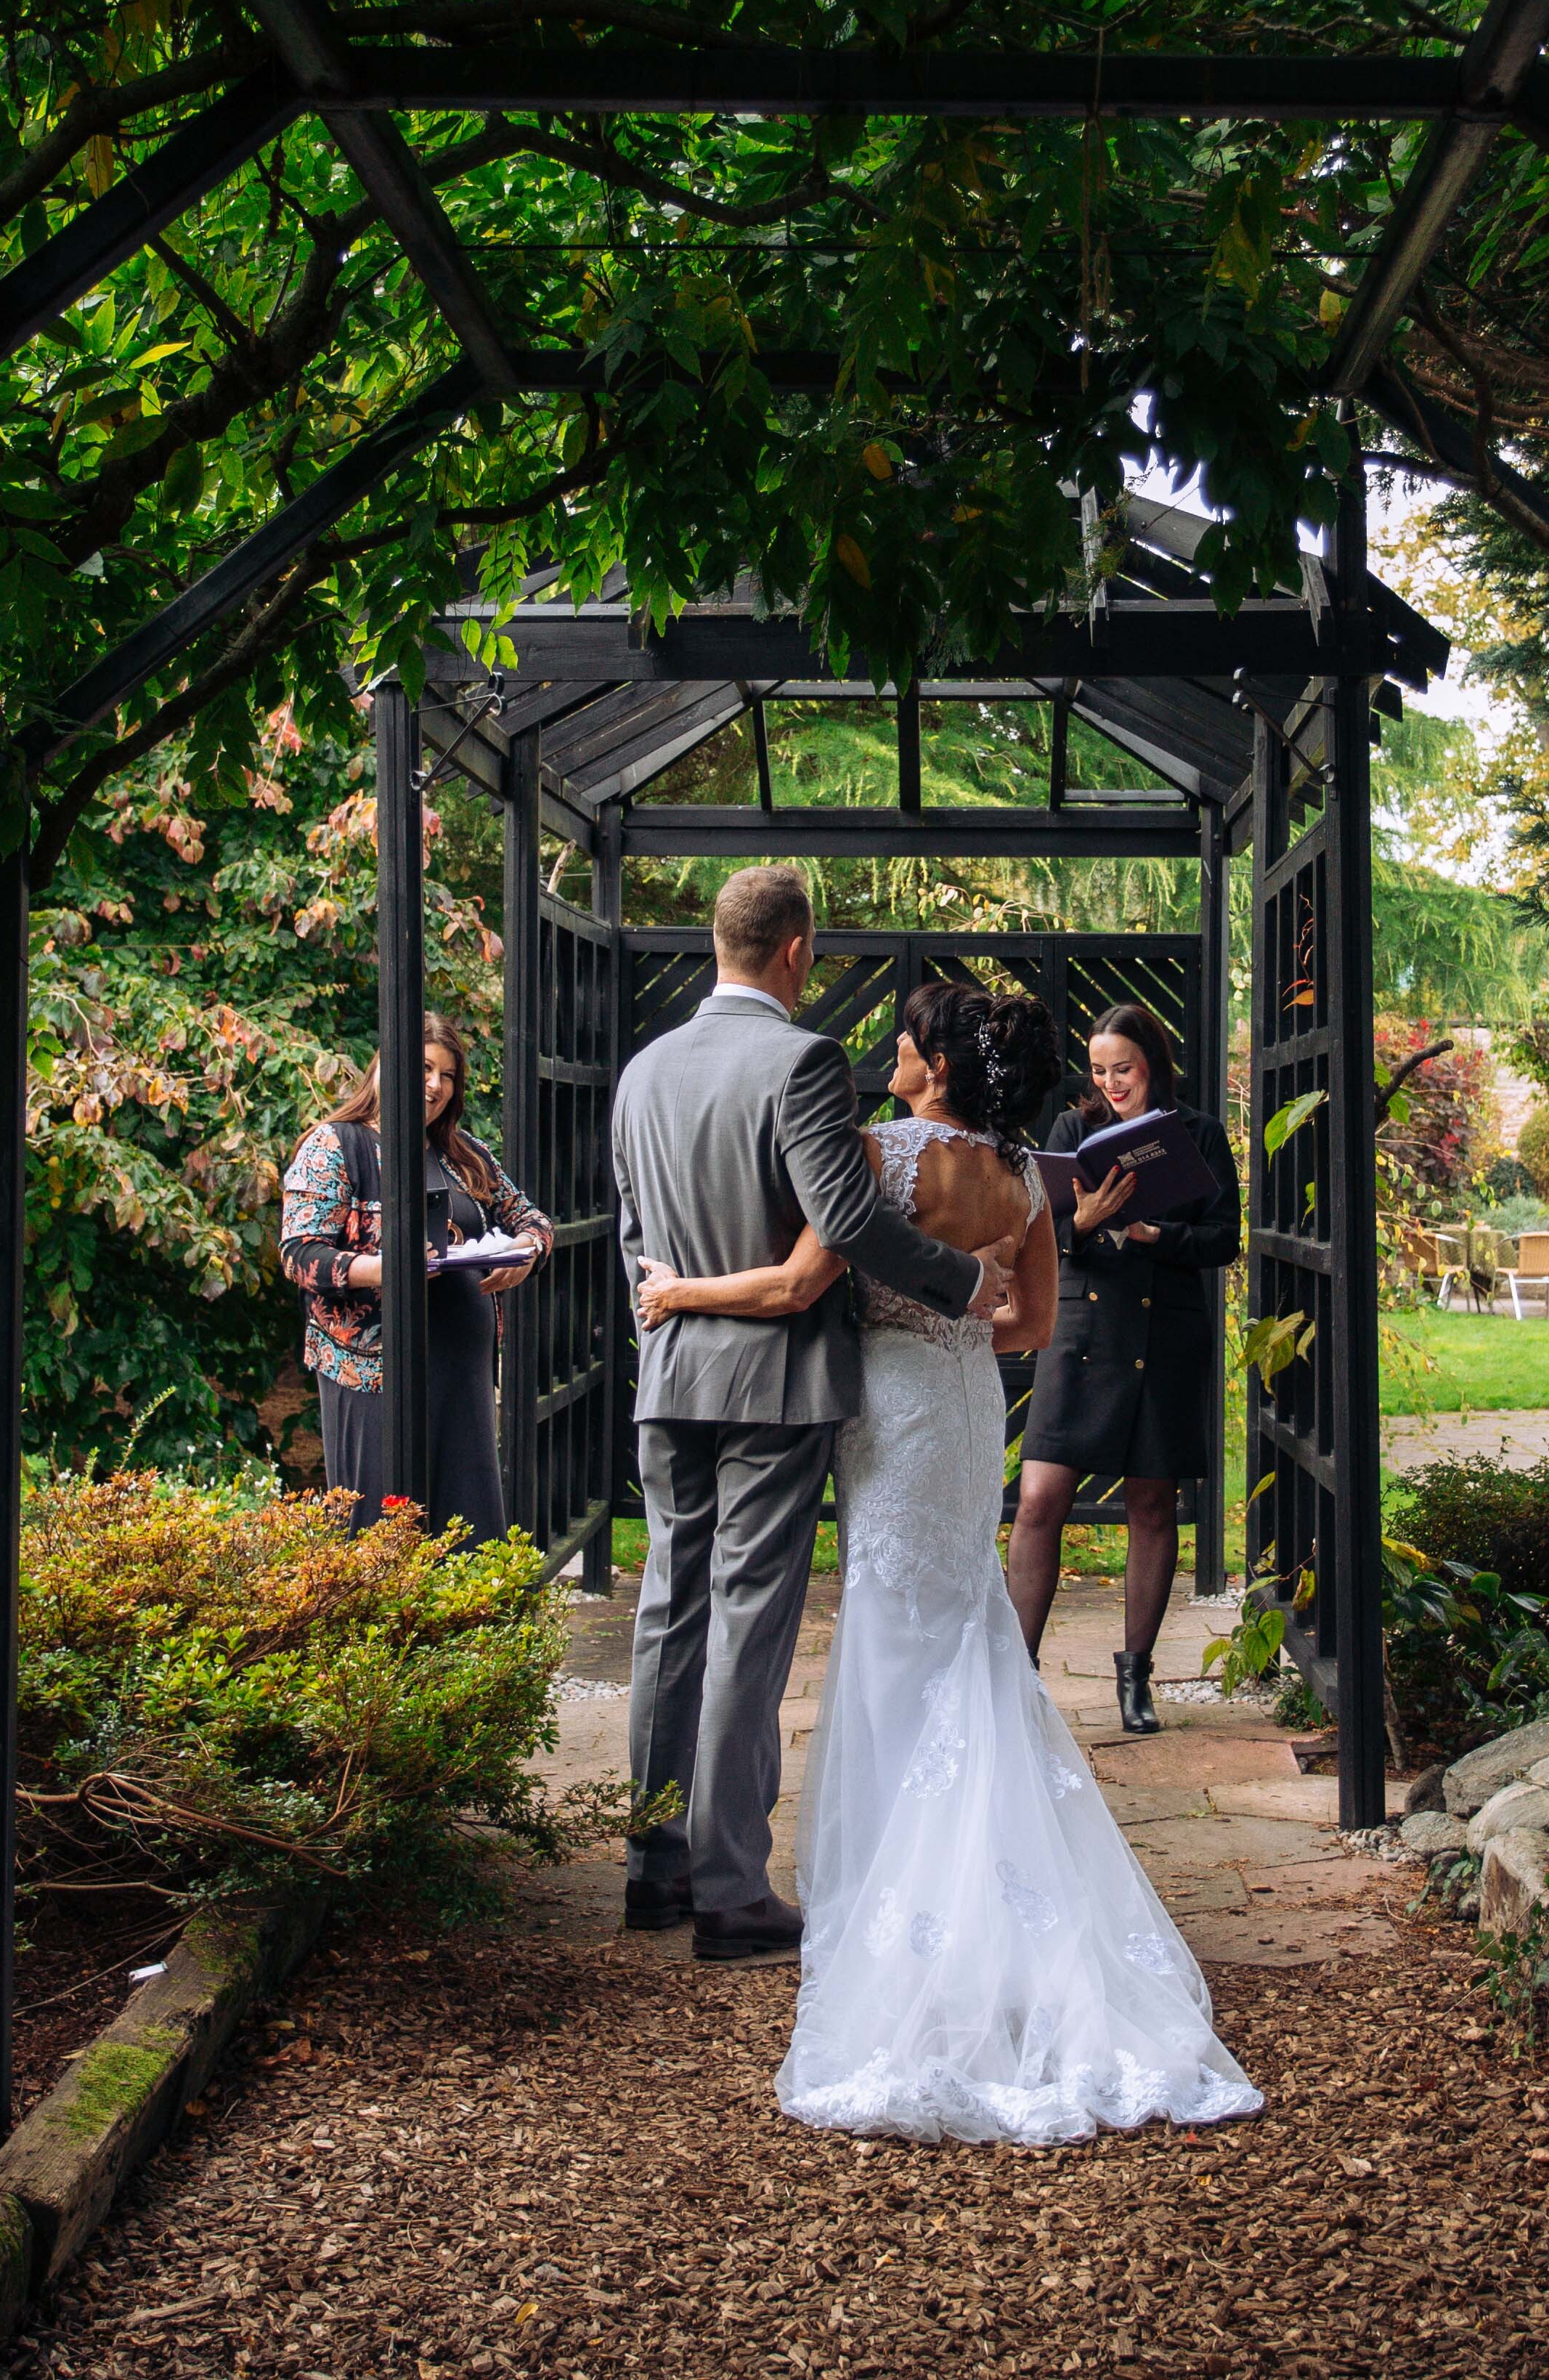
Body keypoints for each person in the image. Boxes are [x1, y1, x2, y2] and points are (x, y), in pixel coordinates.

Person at [639, 975, 1263, 2145]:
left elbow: (794, 1285)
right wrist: (959, 1314)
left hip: (892, 1406)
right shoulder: (1025, 1177)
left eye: (909, 1042)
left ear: (939, 1063)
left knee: (892, 1638)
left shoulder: (879, 1156)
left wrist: (677, 1289)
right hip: (971, 1405)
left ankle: (902, 1897)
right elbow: (1027, 1327)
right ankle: (991, 1892)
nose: (891, 1051)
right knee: (963, 1624)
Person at [607, 865, 1009, 1966]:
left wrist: (667, 1319)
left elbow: (632, 1236)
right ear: (795, 952)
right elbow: (846, 1221)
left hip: (672, 1369)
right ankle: (731, 1888)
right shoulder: (803, 1061)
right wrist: (965, 1284)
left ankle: (654, 1869)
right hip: (775, 1385)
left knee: (666, 1610)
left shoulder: (643, 1071)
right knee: (745, 1623)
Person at [1011, 1003, 1240, 1728]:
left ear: (1154, 1064)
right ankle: (1018, 1673)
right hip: (1081, 1328)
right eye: (1101, 1070)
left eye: (1125, 1069)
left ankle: (1136, 1678)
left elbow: (1223, 1238)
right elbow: (1032, 1225)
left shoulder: (1198, 1133)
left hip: (1163, 1332)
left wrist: (1154, 1231)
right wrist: (1076, 1223)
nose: (1111, 1083)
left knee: (1152, 1504)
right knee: (1041, 1497)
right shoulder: (1073, 1130)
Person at [277, 1012, 546, 1540]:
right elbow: (299, 1254)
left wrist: (526, 1251)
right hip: (374, 1379)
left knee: (468, 1539)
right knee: (383, 1537)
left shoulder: (463, 1153)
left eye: (447, 1076)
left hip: (463, 1375)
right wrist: (384, 1271)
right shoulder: (337, 1146)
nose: (435, 1086)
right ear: (385, 1067)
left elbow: (532, 1219)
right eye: (424, 1068)